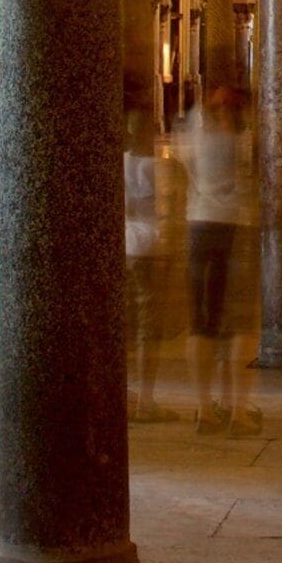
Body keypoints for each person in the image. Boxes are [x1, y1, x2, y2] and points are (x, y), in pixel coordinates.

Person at [182, 81, 260, 433]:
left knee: (203, 321)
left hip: (199, 225)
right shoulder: (244, 137)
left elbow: (184, 162)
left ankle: (205, 410)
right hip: (234, 227)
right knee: (240, 322)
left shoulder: (193, 130)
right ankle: (239, 412)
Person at [123, 109, 178, 422]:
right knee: (148, 328)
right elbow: (164, 212)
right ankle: (145, 398)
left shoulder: (118, 163)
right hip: (148, 248)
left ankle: (123, 392)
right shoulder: (154, 168)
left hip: (123, 247)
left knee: (124, 325)